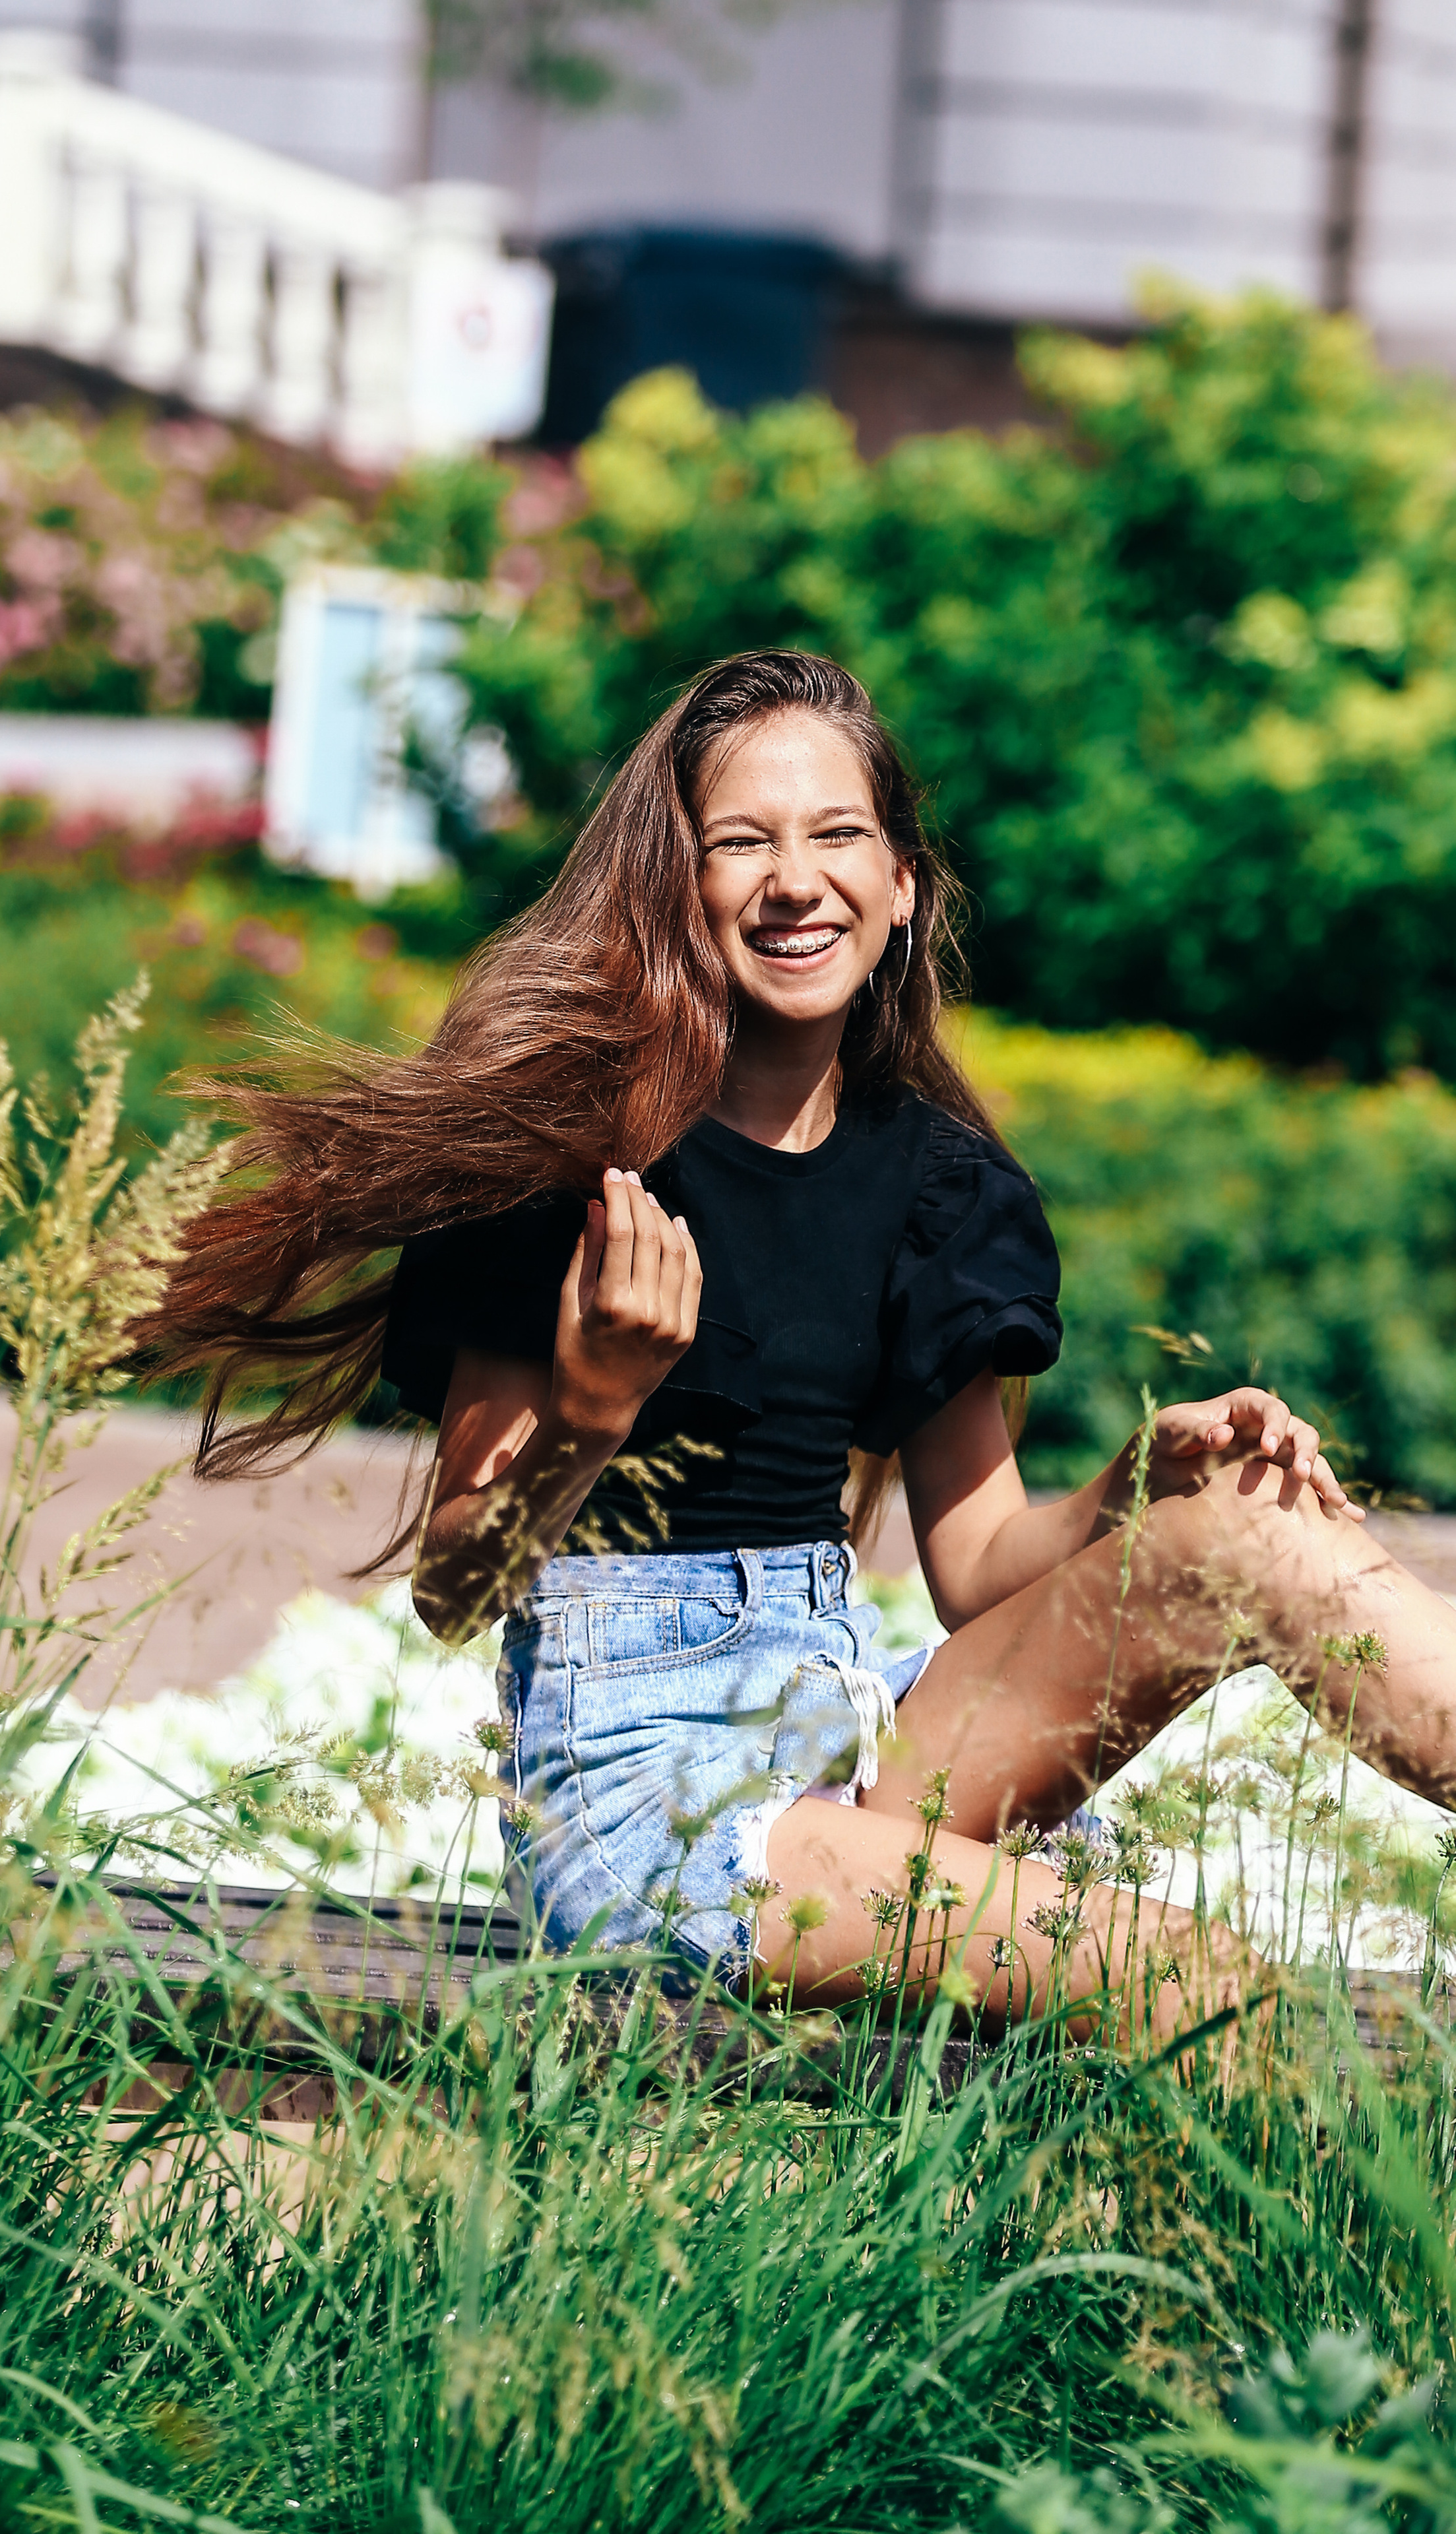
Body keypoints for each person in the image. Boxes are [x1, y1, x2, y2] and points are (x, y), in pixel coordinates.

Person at [139, 650, 1456, 2030]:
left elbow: (978, 1568)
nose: (793, 879)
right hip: (646, 1791)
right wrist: (594, 1408)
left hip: (859, 1728)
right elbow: (456, 1589)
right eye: (740, 844)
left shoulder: (935, 1189)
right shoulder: (564, 1161)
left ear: (899, 888)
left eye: (837, 835)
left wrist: (1143, 1478)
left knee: (1253, 1516)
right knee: (1188, 1977)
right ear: (673, 886)